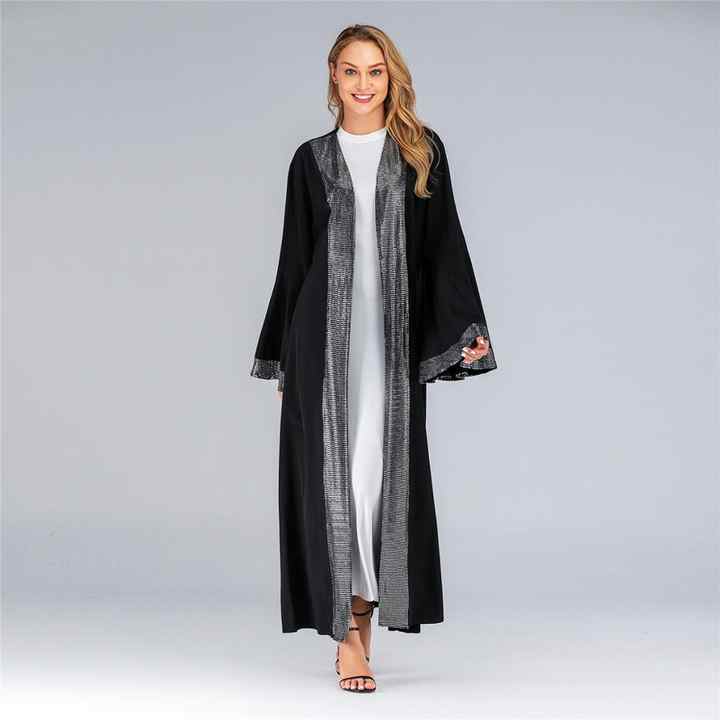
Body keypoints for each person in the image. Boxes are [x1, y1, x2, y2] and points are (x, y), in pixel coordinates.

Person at [250, 24, 498, 693]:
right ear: (333, 76)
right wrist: (282, 356)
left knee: (378, 479)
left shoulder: (419, 150)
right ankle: (348, 637)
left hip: (392, 343)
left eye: (376, 71)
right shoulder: (311, 160)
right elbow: (294, 261)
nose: (364, 84)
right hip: (324, 345)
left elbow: (443, 247)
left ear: (392, 78)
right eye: (352, 71)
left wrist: (464, 332)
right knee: (335, 480)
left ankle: (360, 616)